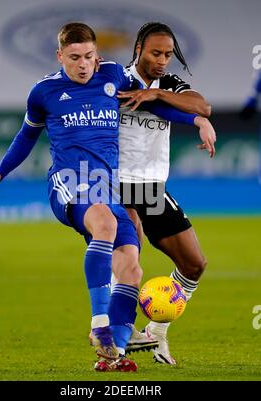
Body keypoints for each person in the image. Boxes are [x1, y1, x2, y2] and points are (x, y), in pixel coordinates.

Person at [0, 22, 203, 372]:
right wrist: (0, 171)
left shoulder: (112, 76)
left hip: (106, 186)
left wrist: (196, 120)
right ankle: (100, 324)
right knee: (107, 221)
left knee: (131, 263)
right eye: (74, 58)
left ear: (98, 56)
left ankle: (115, 352)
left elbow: (149, 106)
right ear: (60, 56)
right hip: (69, 181)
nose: (83, 65)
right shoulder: (44, 92)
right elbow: (26, 136)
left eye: (89, 57)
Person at [116, 22, 216, 365]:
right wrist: (193, 120)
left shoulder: (170, 85)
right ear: (139, 49)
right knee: (129, 265)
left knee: (194, 264)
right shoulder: (118, 79)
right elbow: (182, 113)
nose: (162, 60)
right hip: (117, 184)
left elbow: (202, 106)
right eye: (155, 52)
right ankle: (115, 343)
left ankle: (156, 334)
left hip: (152, 188)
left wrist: (160, 94)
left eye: (168, 54)